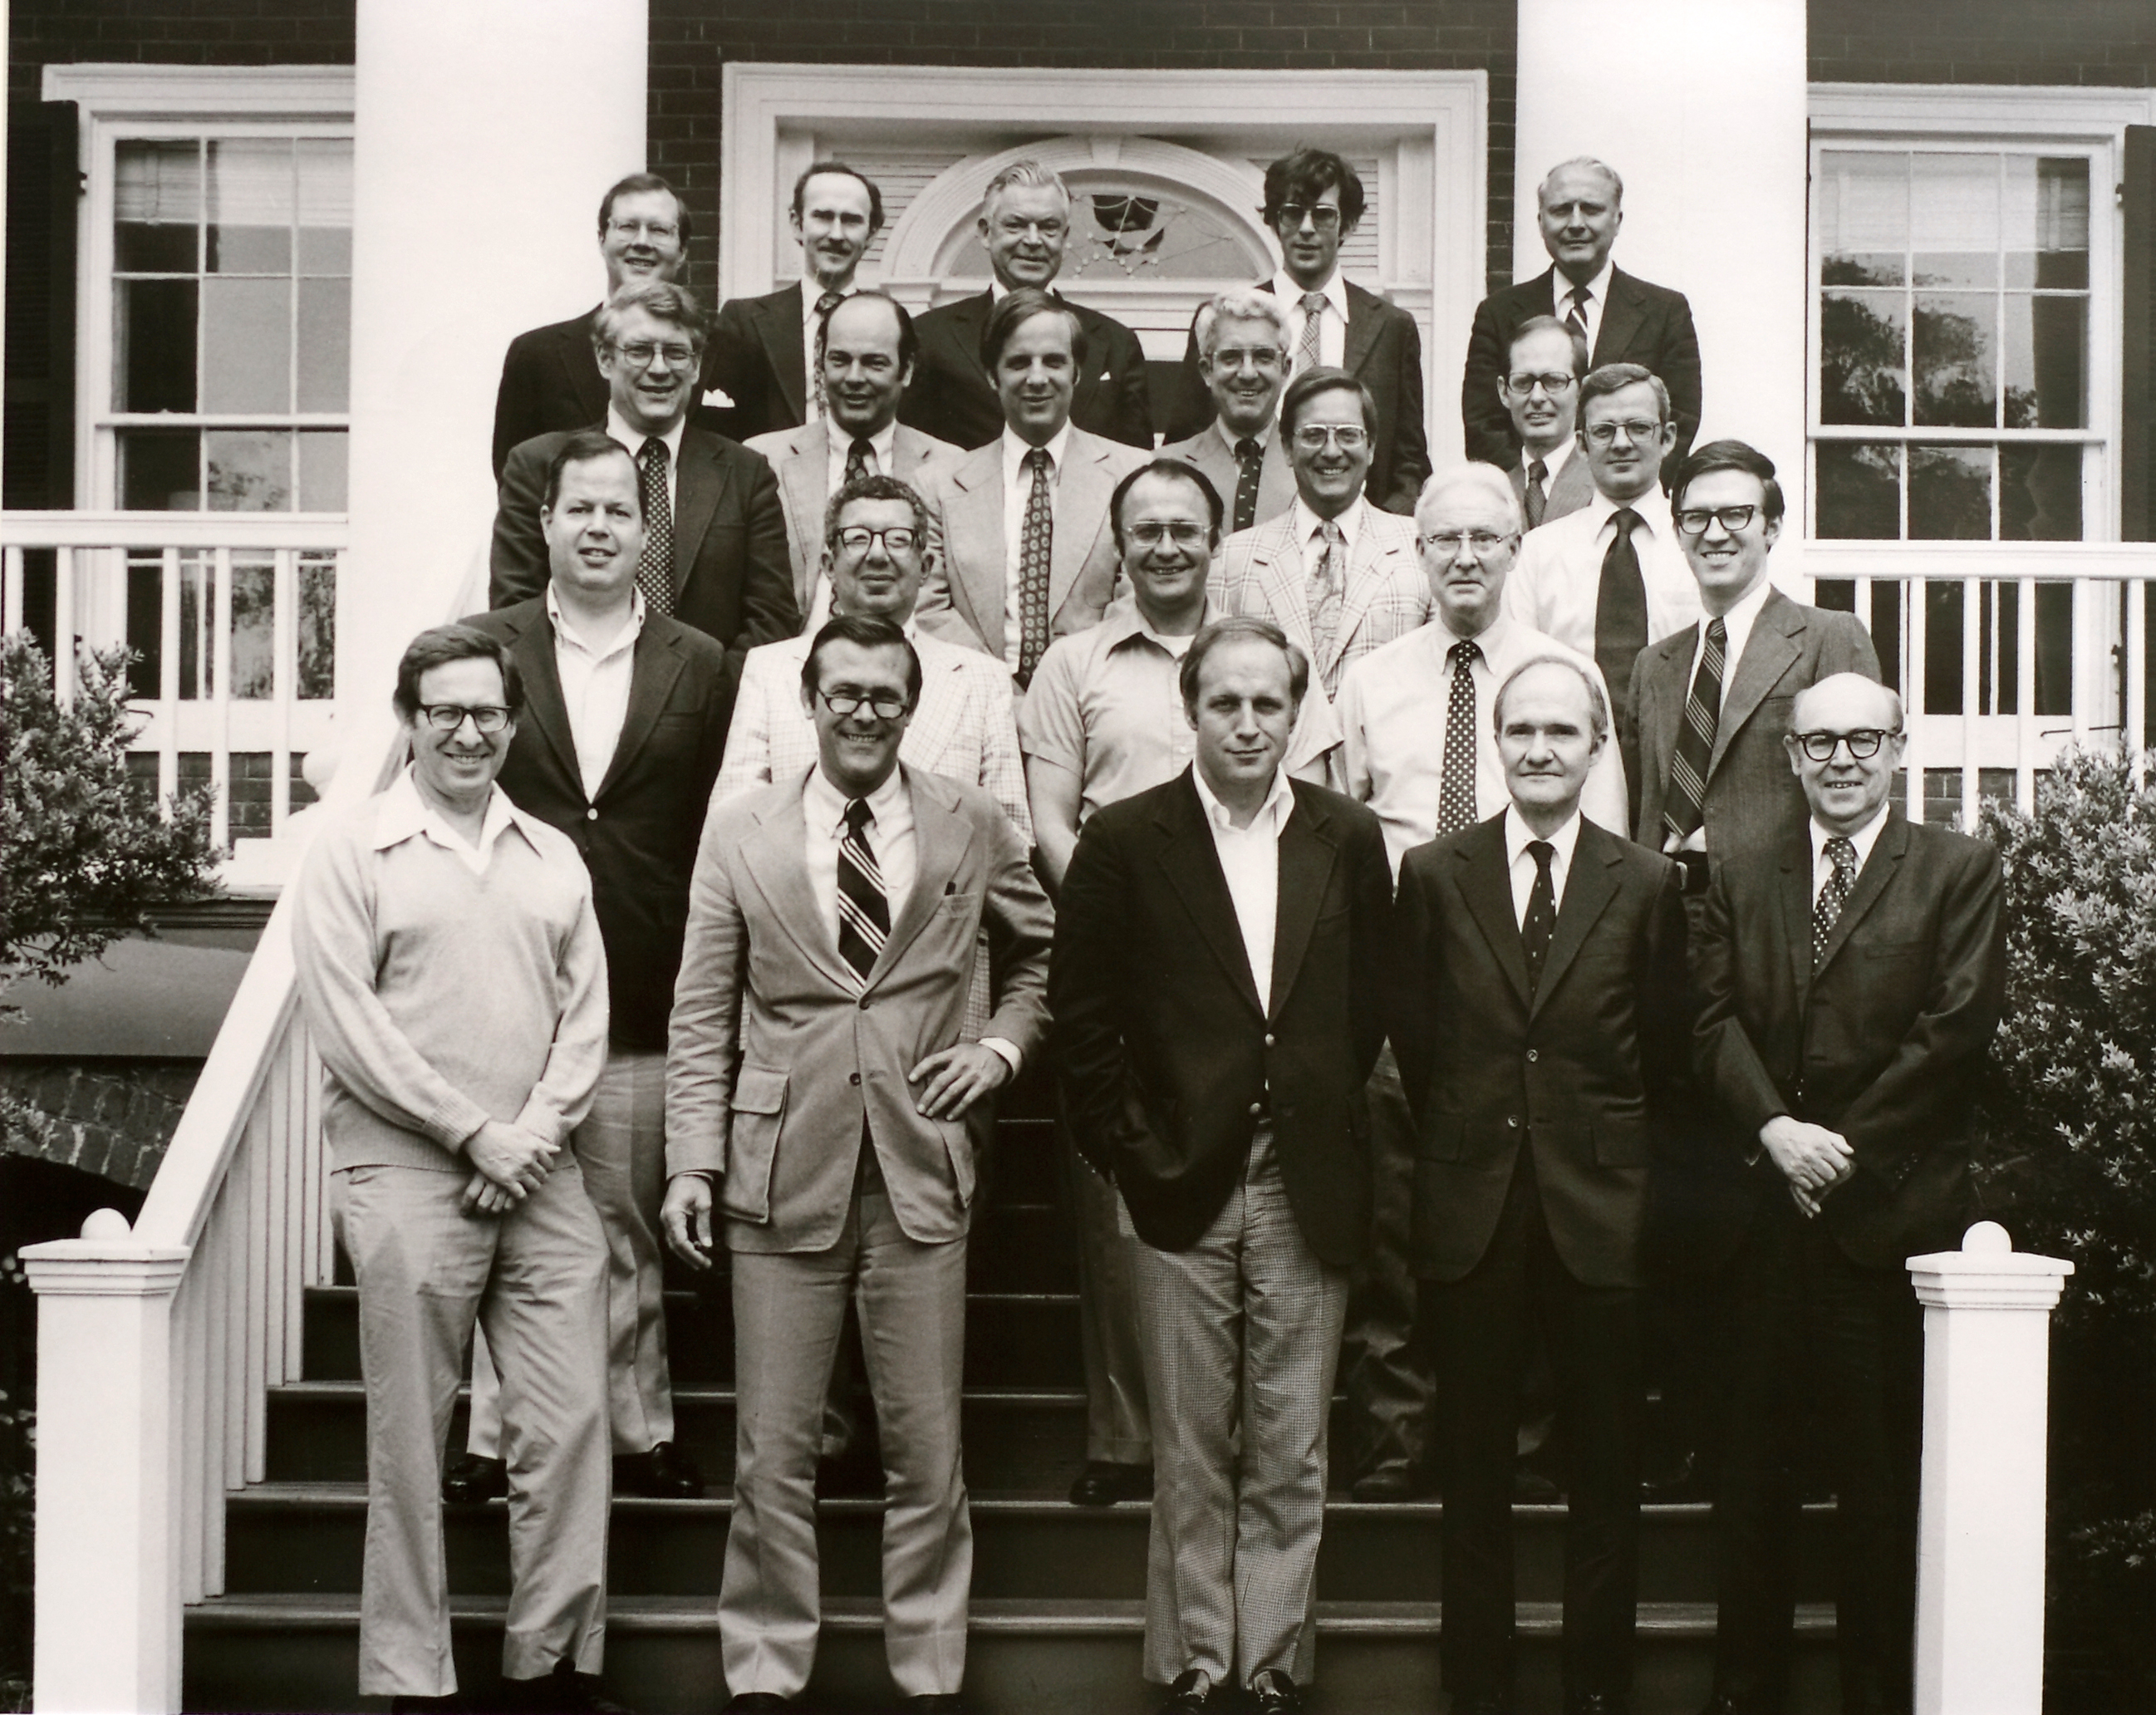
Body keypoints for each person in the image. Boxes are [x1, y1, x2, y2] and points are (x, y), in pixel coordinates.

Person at [662, 613, 1053, 1715]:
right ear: (810, 701)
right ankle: (765, 1675)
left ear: (911, 703)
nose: (864, 712)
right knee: (770, 1454)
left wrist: (998, 1047)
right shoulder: (740, 829)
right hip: (776, 1170)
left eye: (886, 694)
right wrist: (691, 1162)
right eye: (844, 693)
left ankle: (928, 1677)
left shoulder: (968, 821)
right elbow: (699, 1010)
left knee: (926, 1453)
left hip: (920, 1168)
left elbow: (1039, 953)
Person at [1051, 616, 1392, 1715]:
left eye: (1267, 703)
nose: (1247, 723)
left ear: (1296, 714)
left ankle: (1266, 1665)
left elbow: (1372, 1004)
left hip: (1305, 1176)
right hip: (1176, 1177)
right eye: (1224, 702)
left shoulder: (1344, 836)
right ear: (1187, 710)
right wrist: (1127, 1150)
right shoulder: (1122, 839)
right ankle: (1199, 1665)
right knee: (1192, 1445)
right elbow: (1083, 1017)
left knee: (1290, 1443)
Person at [291, 624, 619, 1713]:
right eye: (445, 712)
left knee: (569, 1424)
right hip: (410, 1176)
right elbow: (349, 1027)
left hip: (538, 1177)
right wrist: (470, 1133)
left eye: (487, 713)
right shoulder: (354, 851)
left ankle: (549, 1670)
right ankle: (410, 1681)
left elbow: (586, 1020)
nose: (469, 732)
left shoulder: (551, 855)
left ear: (513, 724)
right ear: (409, 720)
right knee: (410, 1442)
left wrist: (524, 1135)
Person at [1690, 673, 2005, 1715]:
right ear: (1788, 756)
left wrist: (1844, 1152)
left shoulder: (1956, 869)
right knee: (1753, 1490)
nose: (1840, 760)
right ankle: (1749, 1694)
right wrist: (1776, 1132)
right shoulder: (1741, 871)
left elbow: (1953, 1034)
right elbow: (1708, 1021)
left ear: (1900, 748)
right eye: (1818, 743)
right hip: (1763, 1226)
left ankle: (1879, 1695)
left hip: (1888, 1224)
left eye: (1863, 740)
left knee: (1881, 1492)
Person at [435, 431, 731, 1511]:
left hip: (646, 974)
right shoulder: (491, 648)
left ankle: (641, 1429)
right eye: (580, 510)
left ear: (642, 531)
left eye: (619, 511)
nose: (600, 527)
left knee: (624, 1218)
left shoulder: (699, 662)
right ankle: (490, 1435)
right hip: (507, 977)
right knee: (504, 1213)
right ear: (547, 525)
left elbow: (710, 821)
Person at [1392, 654, 1690, 1715]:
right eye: (1521, 731)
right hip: (1472, 1205)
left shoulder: (1646, 882)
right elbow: (1418, 1045)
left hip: (1601, 1210)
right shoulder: (1433, 874)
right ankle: (1479, 1690)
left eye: (1563, 732)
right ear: (1493, 744)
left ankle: (1595, 1692)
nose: (1540, 750)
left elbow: (1663, 1053)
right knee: (1472, 1475)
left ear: (1598, 744)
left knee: (1605, 1473)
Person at [1332, 465, 1626, 1501]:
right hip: (1412, 966)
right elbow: (1339, 834)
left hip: (1534, 978)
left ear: (1516, 551)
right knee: (1400, 1213)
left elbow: (1611, 846)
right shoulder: (1371, 680)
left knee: (1533, 1212)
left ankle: (1526, 1440)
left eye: (1484, 541)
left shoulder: (1560, 678)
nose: (1464, 558)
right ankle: (1398, 1434)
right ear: (1419, 553)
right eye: (1443, 540)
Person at [1018, 458, 1226, 1511]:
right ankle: (1123, 1435)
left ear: (1215, 539)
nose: (1165, 547)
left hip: (1236, 963)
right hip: (1110, 957)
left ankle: (1216, 1433)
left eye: (1184, 528)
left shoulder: (1254, 659)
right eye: (1145, 530)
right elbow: (1049, 815)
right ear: (1121, 543)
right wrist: (1108, 920)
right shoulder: (1073, 664)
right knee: (1110, 1203)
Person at [492, 281, 799, 731]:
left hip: (707, 728)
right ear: (604, 359)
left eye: (677, 353)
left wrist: (694, 701)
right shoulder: (537, 465)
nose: (660, 369)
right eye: (639, 350)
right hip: (574, 718)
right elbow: (516, 604)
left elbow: (771, 618)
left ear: (696, 367)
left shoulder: (746, 473)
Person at [1166, 148, 1431, 514]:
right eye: (1292, 213)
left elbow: (1409, 461)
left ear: (1348, 225)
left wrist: (1380, 530)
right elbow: (1186, 439)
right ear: (1275, 223)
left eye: (1323, 215)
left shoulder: (1391, 326)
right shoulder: (1227, 319)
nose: (1306, 228)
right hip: (1245, 525)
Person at [911, 287, 1150, 688]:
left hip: (1095, 692)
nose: (1037, 378)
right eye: (1019, 363)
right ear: (992, 376)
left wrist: (1058, 694)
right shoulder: (937, 485)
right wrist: (1001, 692)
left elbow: (1137, 596)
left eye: (1054, 362)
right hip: (972, 696)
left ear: (1076, 373)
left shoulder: (1134, 476)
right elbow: (928, 607)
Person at [1504, 362, 1701, 828]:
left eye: (1638, 427)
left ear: (1668, 437)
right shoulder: (1537, 553)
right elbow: (1519, 676)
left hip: (1680, 775)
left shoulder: (1698, 547)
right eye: (1604, 429)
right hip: (1570, 781)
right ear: (1582, 441)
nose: (1622, 442)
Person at [1213, 366, 1427, 787]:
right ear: (1288, 449)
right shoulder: (1233, 559)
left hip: (1389, 798)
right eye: (1313, 435)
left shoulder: (1420, 549)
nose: (1331, 451)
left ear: (1371, 447)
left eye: (1348, 434)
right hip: (1266, 800)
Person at [1461, 158, 1702, 474]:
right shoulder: (1498, 312)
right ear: (1541, 221)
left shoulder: (1665, 311)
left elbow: (1678, 422)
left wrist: (1614, 487)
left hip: (1624, 505)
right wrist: (1538, 489)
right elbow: (1483, 425)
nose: (1576, 223)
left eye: (1591, 209)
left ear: (1617, 220)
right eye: (1561, 210)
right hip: (1530, 505)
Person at [900, 159, 1152, 451]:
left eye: (1048, 227)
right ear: (985, 232)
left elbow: (1137, 469)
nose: (1033, 241)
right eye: (1016, 225)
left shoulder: (1115, 343)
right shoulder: (930, 337)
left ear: (1065, 237)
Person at [743, 292, 960, 630]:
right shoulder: (762, 461)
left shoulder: (950, 469)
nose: (854, 377)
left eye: (875, 362)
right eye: (840, 360)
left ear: (907, 370)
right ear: (820, 364)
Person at [491, 171, 689, 480]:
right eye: (627, 227)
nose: (642, 242)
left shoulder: (729, 353)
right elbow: (516, 485)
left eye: (659, 230)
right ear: (601, 240)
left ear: (683, 251)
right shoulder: (535, 355)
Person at [708, 161, 884, 439]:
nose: (836, 234)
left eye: (851, 220)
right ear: (797, 223)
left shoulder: (889, 326)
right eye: (823, 217)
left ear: (871, 233)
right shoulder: (743, 321)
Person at [1157, 291, 1298, 535]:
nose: (1247, 374)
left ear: (1285, 370)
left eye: (1263, 357)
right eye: (1231, 357)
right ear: (1207, 371)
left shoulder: (1312, 467)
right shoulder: (1163, 469)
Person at [1499, 317, 1594, 530]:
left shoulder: (1606, 485)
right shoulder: (1493, 492)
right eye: (1523, 382)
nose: (1537, 397)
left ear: (1582, 390)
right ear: (1504, 392)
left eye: (1554, 381)